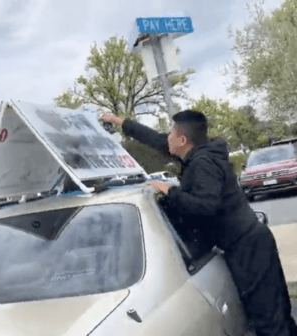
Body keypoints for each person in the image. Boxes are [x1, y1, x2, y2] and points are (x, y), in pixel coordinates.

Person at [101, 110, 297, 336]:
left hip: (248, 248)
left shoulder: (202, 163)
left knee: (270, 321)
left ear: (183, 140)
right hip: (250, 243)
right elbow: (155, 139)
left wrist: (170, 191)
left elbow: (205, 206)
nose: (166, 138)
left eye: (171, 133)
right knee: (276, 314)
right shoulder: (197, 153)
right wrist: (118, 121)